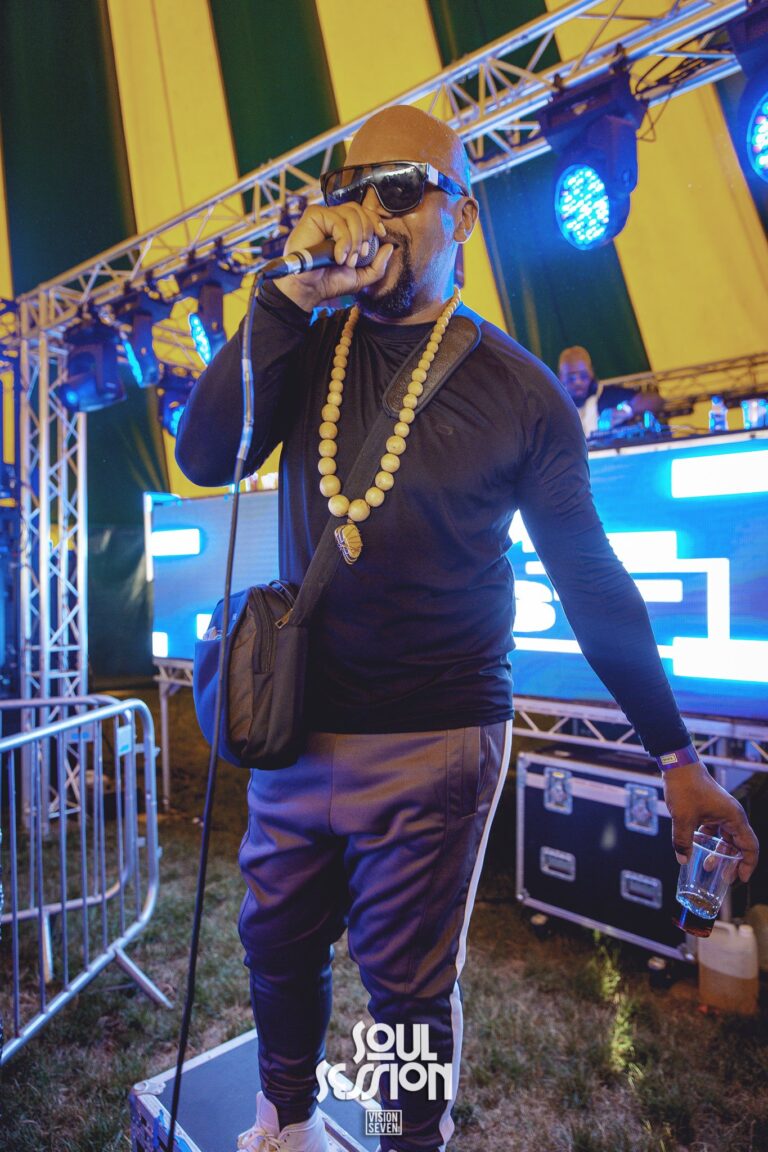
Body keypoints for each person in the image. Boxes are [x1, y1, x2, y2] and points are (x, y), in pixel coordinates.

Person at [175, 105, 759, 1152]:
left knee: (402, 989)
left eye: (400, 190)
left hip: (435, 740)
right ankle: (284, 1121)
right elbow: (205, 455)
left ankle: (405, 1139)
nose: (371, 213)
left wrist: (674, 756)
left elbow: (591, 581)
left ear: (464, 217)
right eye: (353, 191)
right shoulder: (307, 345)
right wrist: (283, 296)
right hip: (294, 724)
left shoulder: (522, 391)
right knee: (274, 943)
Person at [558, 344, 663, 437]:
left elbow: (655, 400)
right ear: (561, 377)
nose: (578, 382)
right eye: (571, 378)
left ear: (591, 372)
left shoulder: (608, 395)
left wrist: (626, 410)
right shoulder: (556, 407)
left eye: (583, 375)